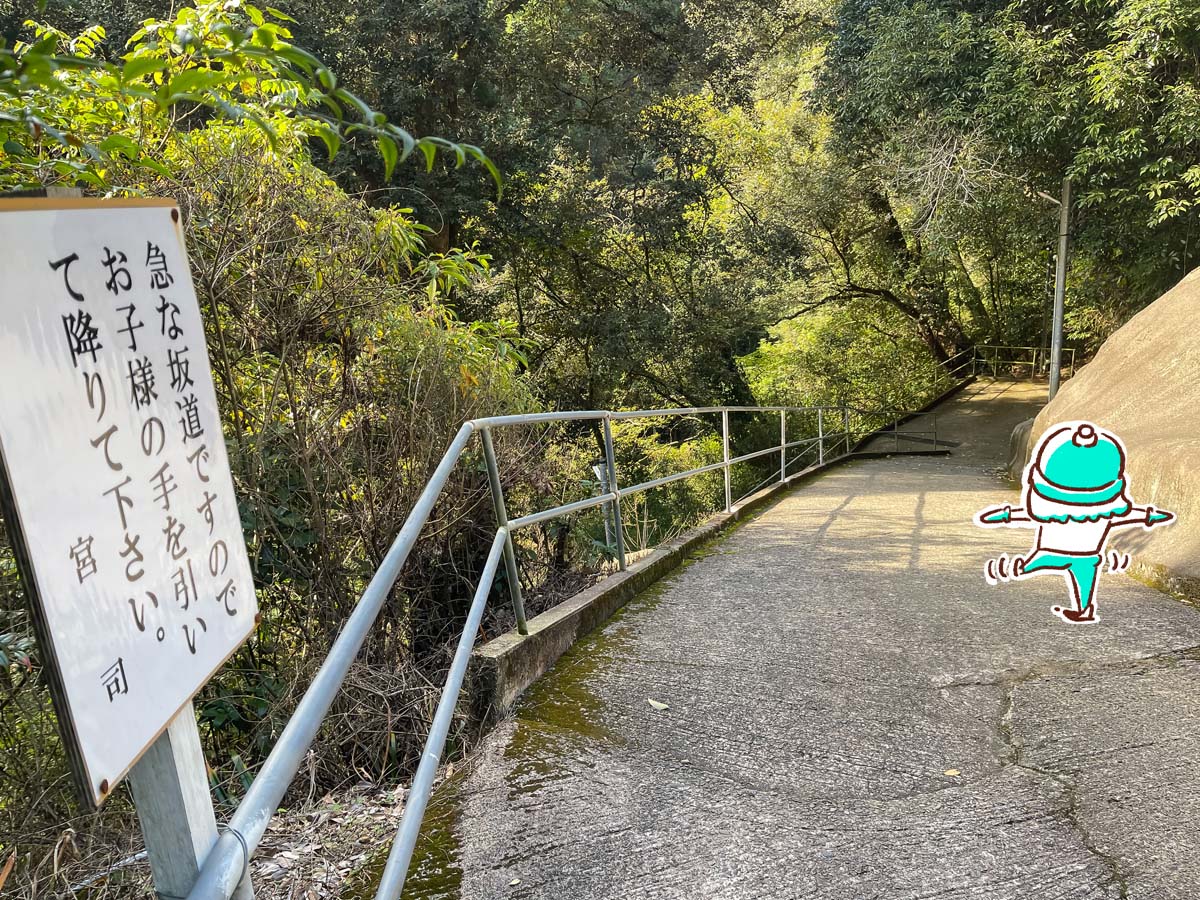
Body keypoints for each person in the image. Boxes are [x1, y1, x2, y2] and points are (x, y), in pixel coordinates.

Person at [975, 421, 1174, 623]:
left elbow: (1030, 515)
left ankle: (1078, 606)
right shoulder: (1103, 510)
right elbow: (1129, 514)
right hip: (1081, 555)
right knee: (1048, 567)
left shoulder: (1050, 508)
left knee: (1041, 565)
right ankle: (1077, 605)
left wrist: (1005, 515)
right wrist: (1150, 515)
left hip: (1063, 552)